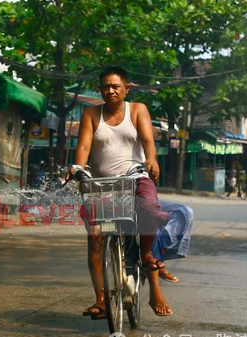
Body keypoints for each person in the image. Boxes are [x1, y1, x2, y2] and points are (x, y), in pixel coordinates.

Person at [74, 67, 173, 318]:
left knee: (149, 209)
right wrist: (77, 167)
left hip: (135, 177)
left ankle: (147, 255)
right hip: (102, 183)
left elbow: (149, 140)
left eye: (115, 86)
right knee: (95, 237)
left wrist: (152, 159)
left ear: (126, 88)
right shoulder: (91, 113)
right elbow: (84, 145)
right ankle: (101, 298)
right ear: (100, 89)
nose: (110, 90)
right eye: (106, 86)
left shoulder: (137, 109)